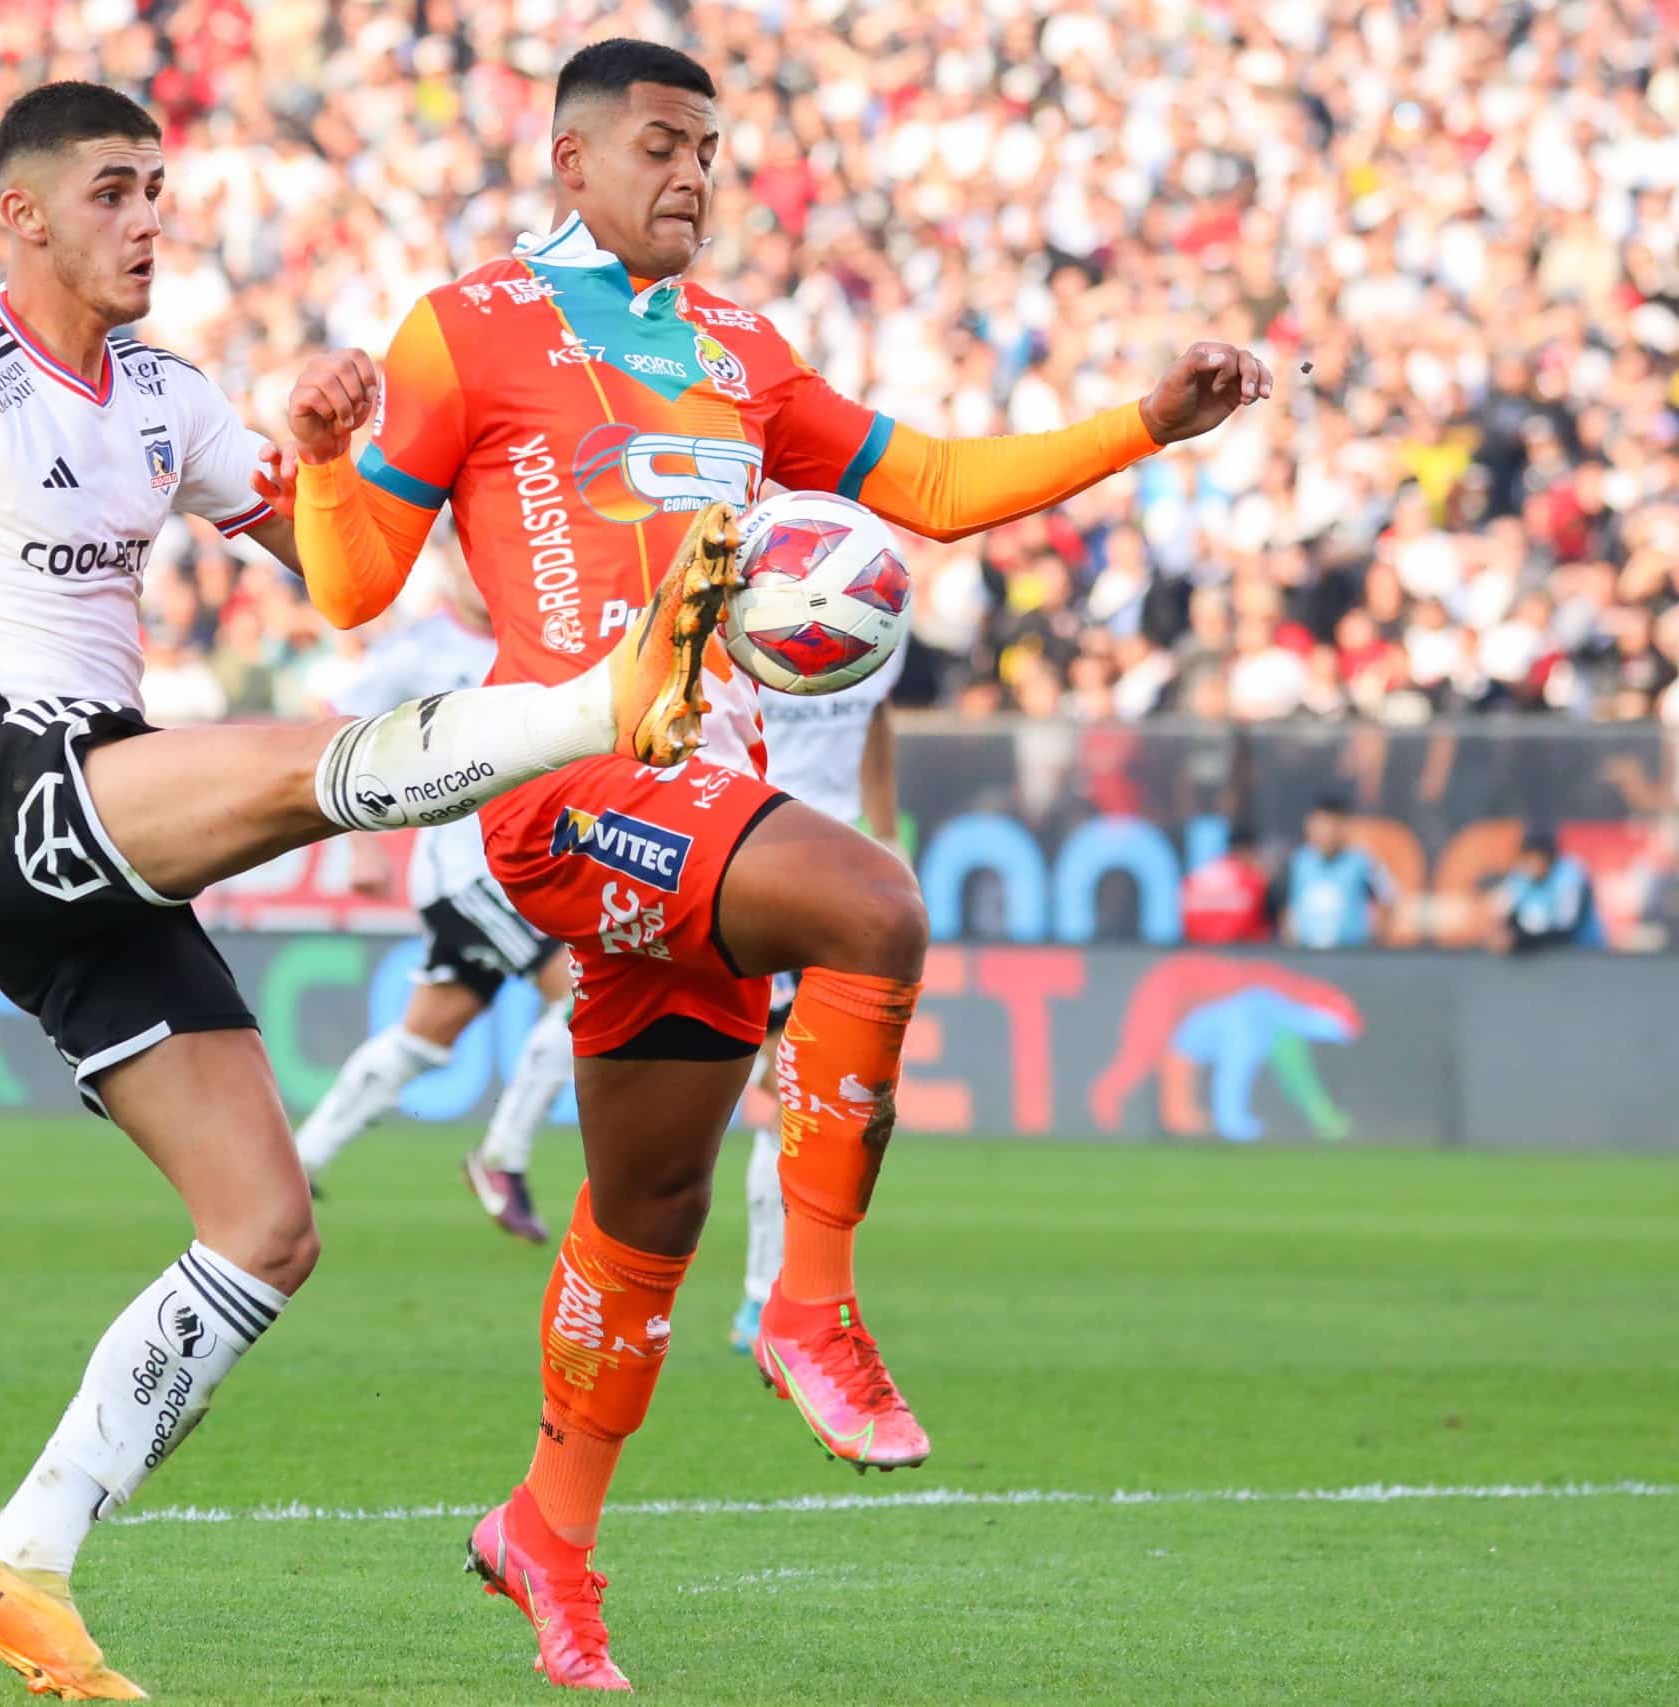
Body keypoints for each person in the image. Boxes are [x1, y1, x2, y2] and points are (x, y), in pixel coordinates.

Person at [0, 82, 735, 1704]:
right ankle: (595, 705)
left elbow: (348, 560)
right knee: (292, 765)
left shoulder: (167, 395)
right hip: (17, 804)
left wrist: (350, 454)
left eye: (158, 191)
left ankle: (24, 1552)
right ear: (25, 215)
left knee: (265, 1229)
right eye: (112, 193)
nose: (147, 221)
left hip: (115, 841)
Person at [276, 39, 1271, 1688]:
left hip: (705, 802)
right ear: (570, 161)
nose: (693, 176)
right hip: (561, 777)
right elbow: (349, 585)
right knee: (874, 900)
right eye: (662, 145)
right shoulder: (464, 330)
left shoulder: (744, 347)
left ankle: (546, 1532)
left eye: (712, 151)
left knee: (647, 1206)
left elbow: (935, 488)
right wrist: (323, 455)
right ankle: (810, 1308)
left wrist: (1142, 426)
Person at [293, 586, 577, 1244]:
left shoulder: (538, 632)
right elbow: (333, 718)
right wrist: (359, 842)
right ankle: (502, 1155)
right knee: (588, 993)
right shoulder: (421, 648)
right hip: (468, 869)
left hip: (521, 865)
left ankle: (300, 1157)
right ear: (451, 561)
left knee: (425, 1036)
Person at [728, 647, 905, 1352]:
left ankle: (776, 1294)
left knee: (811, 1089)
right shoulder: (752, 603)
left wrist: (888, 835)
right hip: (761, 855)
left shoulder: (883, 600)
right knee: (778, 1082)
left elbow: (877, 718)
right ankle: (763, 1294)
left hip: (843, 867)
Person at [1282, 794, 1394, 948]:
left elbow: (1387, 899)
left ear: (1343, 827)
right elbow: (1289, 909)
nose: (1326, 832)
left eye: (1332, 825)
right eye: (1320, 825)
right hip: (1307, 954)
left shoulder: (1362, 861)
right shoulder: (1299, 862)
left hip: (1350, 955)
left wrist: (1374, 943)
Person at [1487, 831, 1603, 952]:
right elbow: (1503, 915)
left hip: (1582, 953)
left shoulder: (1570, 876)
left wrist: (1521, 940)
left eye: (1536, 858)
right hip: (1540, 956)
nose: (1531, 865)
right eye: (1527, 858)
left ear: (1549, 858)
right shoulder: (1520, 877)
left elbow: (1566, 927)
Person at [1181, 824, 1279, 945]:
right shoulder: (1254, 881)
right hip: (1240, 957)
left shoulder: (1193, 879)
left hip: (1196, 956)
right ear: (1249, 851)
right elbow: (1265, 927)